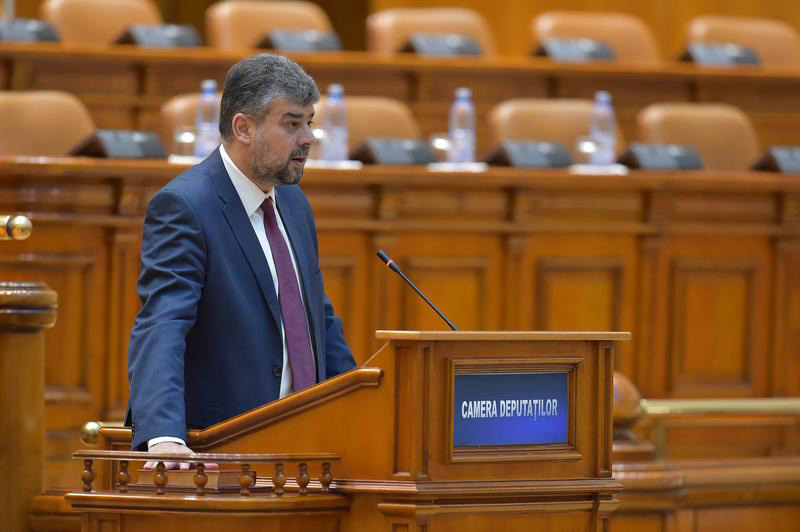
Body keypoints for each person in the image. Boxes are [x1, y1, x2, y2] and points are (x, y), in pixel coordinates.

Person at [126, 54, 356, 465]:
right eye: (292, 124)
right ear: (243, 128)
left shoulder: (294, 203)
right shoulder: (185, 206)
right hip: (222, 448)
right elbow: (163, 322)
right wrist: (163, 435)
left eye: (309, 122)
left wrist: (360, 408)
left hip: (306, 446)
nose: (308, 138)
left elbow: (315, 320)